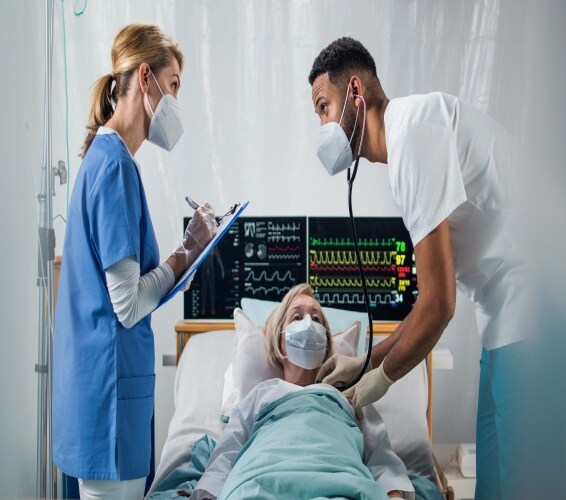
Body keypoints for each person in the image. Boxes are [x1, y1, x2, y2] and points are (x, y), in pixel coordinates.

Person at [309, 37, 529, 500]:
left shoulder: (412, 134)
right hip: (502, 309)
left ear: (355, 92)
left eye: (323, 107)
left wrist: (377, 383)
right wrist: (366, 360)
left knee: (521, 478)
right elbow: (428, 304)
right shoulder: (408, 143)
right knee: (493, 478)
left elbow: (438, 305)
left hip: (532, 303)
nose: (322, 125)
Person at [53, 24, 217, 500]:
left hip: (101, 395)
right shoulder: (115, 165)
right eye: (174, 85)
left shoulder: (104, 159)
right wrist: (188, 249)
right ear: (145, 78)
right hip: (107, 402)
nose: (176, 101)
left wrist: (187, 252)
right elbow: (126, 304)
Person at [191, 283, 416, 499]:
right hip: (257, 482)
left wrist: (394, 496)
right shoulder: (260, 395)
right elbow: (225, 456)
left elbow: (382, 460)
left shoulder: (351, 397)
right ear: (278, 341)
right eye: (296, 317)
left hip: (342, 484)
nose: (308, 323)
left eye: (316, 319)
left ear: (327, 343)